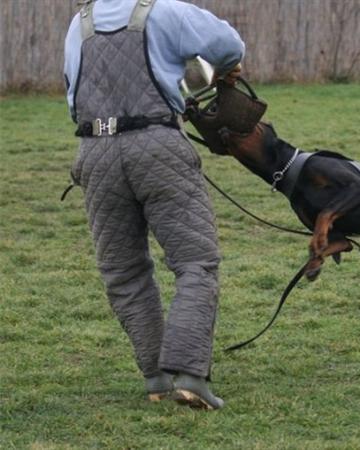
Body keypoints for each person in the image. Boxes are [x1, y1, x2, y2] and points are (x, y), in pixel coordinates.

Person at [63, 0, 244, 409]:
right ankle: (190, 375)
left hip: (94, 153)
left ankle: (157, 378)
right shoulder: (166, 12)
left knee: (123, 273)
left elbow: (73, 100)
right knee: (196, 262)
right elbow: (230, 46)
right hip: (157, 147)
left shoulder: (80, 23)